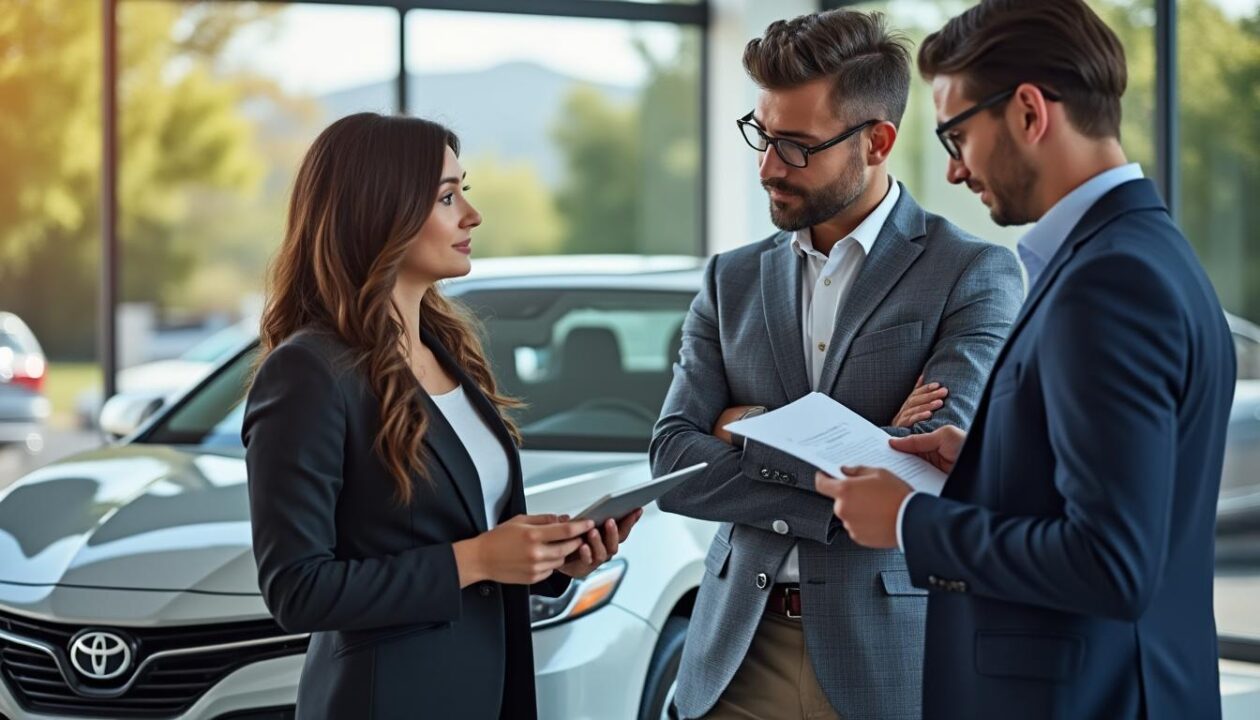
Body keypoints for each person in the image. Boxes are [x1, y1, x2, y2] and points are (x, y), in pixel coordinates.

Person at [815, 2, 1235, 718]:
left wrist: (913, 520)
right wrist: (984, 467)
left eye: (957, 135)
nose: (951, 171)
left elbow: (1111, 563)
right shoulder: (1145, 251)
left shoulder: (1108, 282)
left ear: (1030, 112)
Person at [649, 9, 1024, 720]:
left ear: (876, 141)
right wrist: (861, 439)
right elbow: (671, 458)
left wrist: (740, 427)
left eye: (794, 147)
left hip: (885, 659)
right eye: (761, 136)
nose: (766, 167)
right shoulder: (730, 280)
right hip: (734, 656)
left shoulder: (972, 273)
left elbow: (924, 467)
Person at [242, 112, 641, 720]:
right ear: (381, 212)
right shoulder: (309, 372)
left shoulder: (446, 350)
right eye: (447, 197)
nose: (471, 216)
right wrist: (479, 557)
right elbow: (297, 589)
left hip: (488, 688)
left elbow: (465, 538)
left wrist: (548, 561)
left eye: (463, 193)